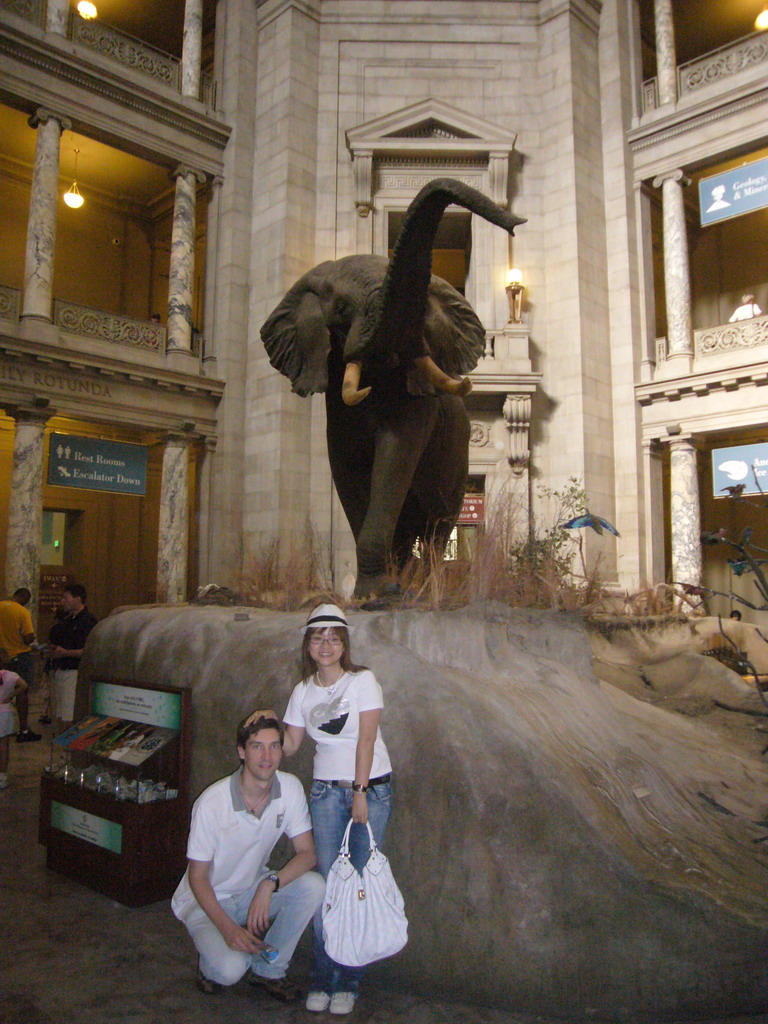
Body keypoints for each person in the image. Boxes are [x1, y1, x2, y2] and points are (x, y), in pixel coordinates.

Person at [276, 603, 393, 1016]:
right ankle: (323, 976)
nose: (325, 645)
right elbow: (290, 745)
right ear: (307, 645)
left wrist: (360, 791)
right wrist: (264, 729)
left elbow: (365, 739)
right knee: (327, 885)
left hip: (368, 790)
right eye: (317, 637)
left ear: (344, 644)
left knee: (356, 883)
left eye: (333, 637)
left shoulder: (363, 681)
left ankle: (349, 980)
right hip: (325, 793)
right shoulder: (303, 691)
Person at [172, 714, 324, 1001]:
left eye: (274, 746)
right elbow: (198, 877)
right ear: (241, 752)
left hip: (252, 888)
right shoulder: (212, 803)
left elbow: (307, 854)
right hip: (205, 899)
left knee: (313, 886)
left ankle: (269, 970)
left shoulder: (289, 789)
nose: (267, 756)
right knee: (230, 970)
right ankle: (210, 966)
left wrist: (270, 885)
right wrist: (229, 930)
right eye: (257, 747)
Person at [49, 584, 98, 731]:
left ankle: (69, 745)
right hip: (61, 669)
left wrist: (66, 653)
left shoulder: (88, 621)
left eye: (65, 598)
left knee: (70, 712)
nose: (62, 601)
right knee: (61, 710)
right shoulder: (68, 621)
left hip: (74, 672)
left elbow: (89, 651)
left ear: (77, 599)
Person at [0, 587, 40, 742]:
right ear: (24, 598)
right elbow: (29, 637)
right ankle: (23, 728)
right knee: (22, 691)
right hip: (19, 656)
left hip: (2, 657)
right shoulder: (22, 612)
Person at [0, 647, 28, 788]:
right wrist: (11, 695)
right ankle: (2, 775)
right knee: (4, 746)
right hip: (5, 712)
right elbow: (24, 685)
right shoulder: (11, 675)